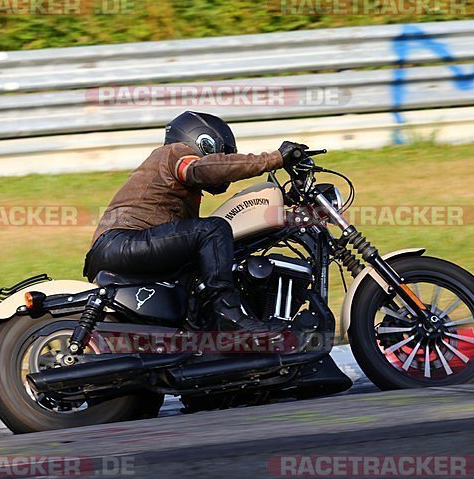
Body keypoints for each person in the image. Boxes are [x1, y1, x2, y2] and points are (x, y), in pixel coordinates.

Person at [83, 110, 307, 332]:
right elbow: (204, 169)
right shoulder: (175, 153)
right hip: (122, 241)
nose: (223, 159)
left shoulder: (181, 185)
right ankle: (227, 313)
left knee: (209, 251)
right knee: (213, 230)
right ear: (204, 142)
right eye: (222, 154)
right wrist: (274, 159)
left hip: (127, 244)